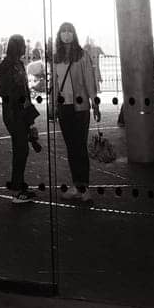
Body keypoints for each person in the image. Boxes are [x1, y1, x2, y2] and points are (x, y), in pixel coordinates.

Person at [52, 22, 100, 202]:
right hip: (64, 108)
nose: (66, 34)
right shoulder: (56, 58)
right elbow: (55, 85)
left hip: (80, 108)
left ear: (74, 34)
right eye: (63, 31)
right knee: (72, 148)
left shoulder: (82, 56)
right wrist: (53, 107)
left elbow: (90, 81)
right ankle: (77, 185)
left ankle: (84, 188)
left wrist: (95, 104)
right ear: (59, 35)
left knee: (80, 147)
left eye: (69, 31)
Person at [0, 35, 41, 202]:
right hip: (14, 113)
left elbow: (24, 91)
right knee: (21, 150)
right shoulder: (7, 65)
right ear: (17, 47)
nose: (25, 48)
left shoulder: (18, 64)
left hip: (20, 112)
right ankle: (17, 190)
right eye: (23, 45)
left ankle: (19, 185)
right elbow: (6, 91)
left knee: (21, 150)